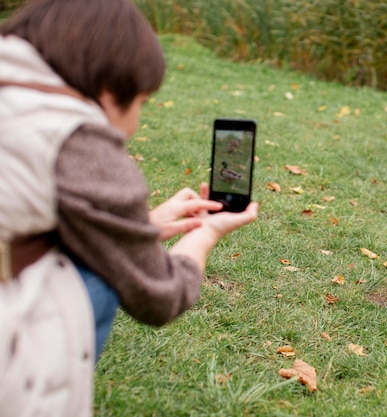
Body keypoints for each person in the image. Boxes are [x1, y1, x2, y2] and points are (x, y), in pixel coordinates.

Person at [0, 0, 258, 416]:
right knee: (96, 280)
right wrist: (205, 234)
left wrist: (142, 226)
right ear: (106, 90)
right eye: (141, 102)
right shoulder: (78, 143)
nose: (137, 122)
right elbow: (161, 296)